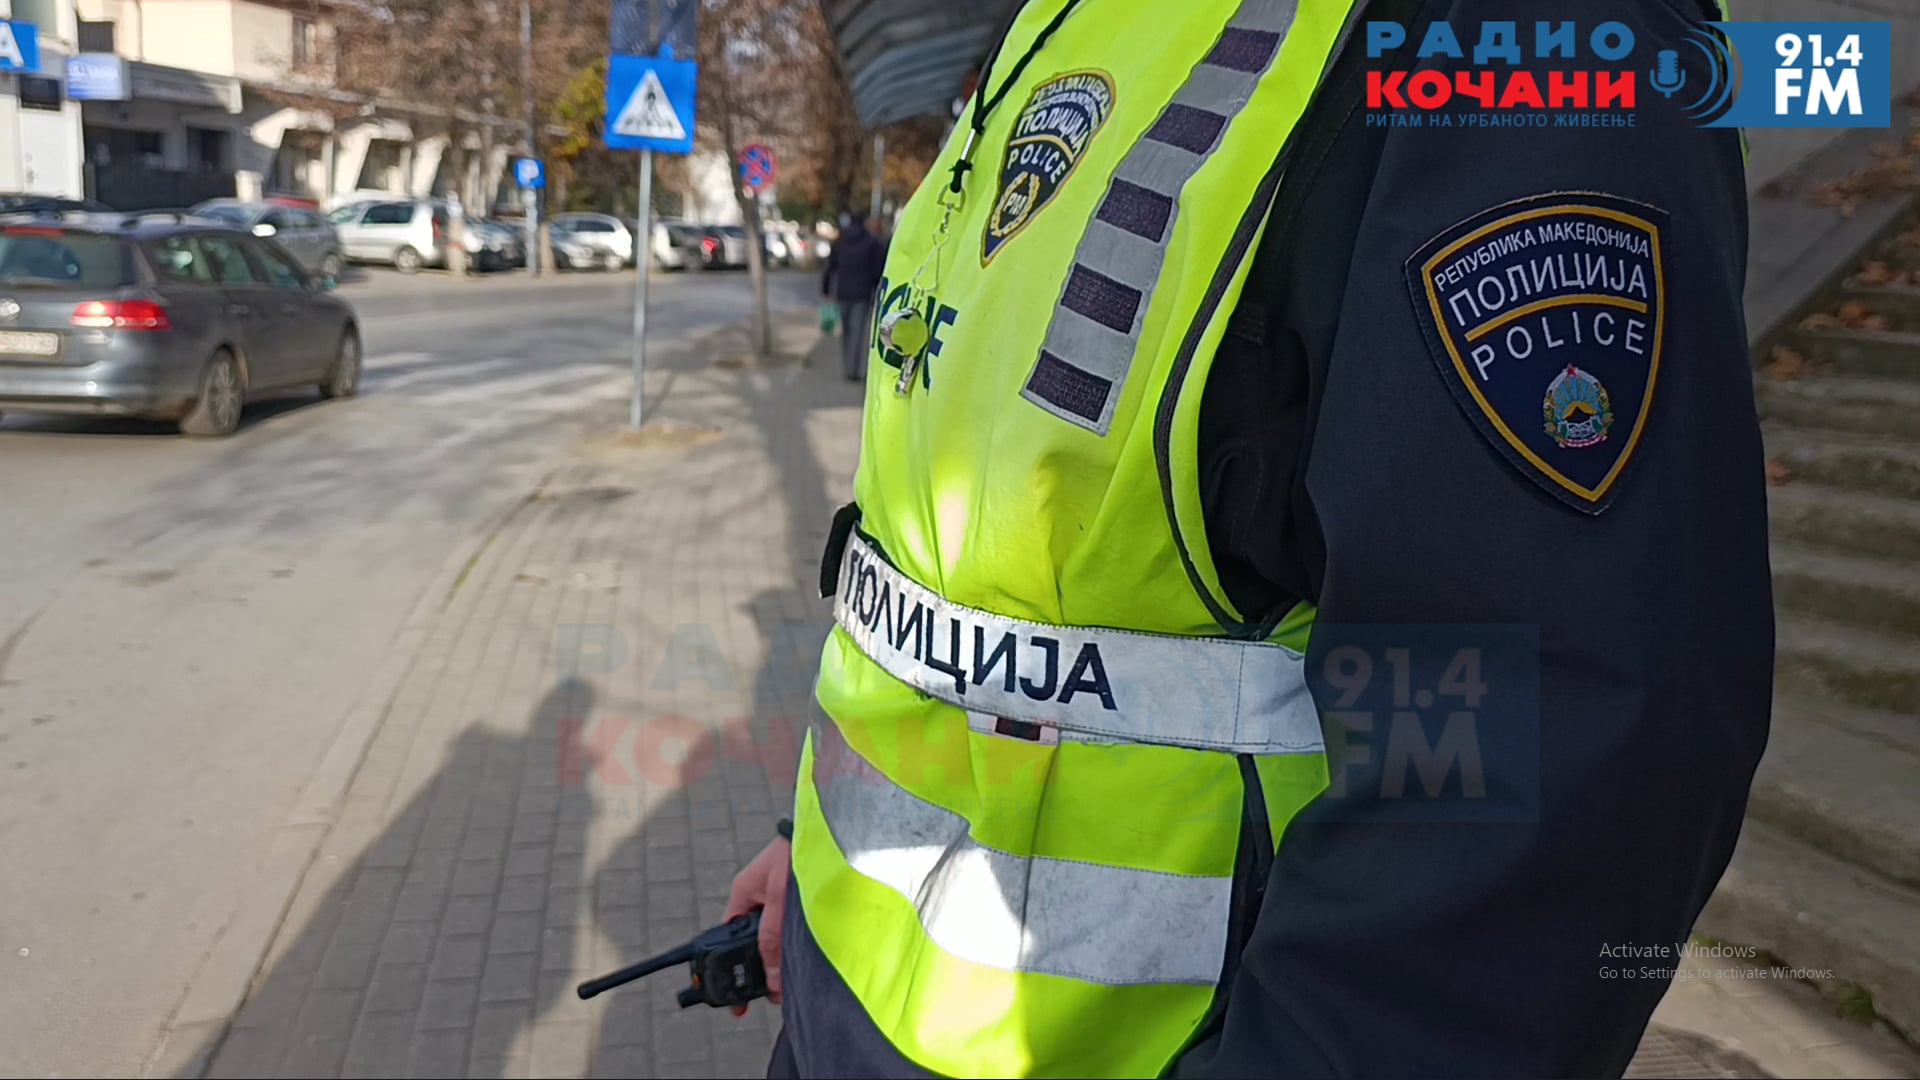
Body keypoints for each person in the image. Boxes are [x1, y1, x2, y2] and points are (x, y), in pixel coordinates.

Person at [730, 0, 1772, 1075]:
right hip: (839, 993)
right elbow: (936, 582)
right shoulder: (1059, 18)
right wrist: (806, 848)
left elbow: (1525, 785)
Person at [820, 211, 887, 381]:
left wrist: (826, 290)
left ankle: (847, 368)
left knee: (846, 332)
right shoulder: (871, 242)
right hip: (862, 294)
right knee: (858, 332)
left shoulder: (840, 241)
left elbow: (830, 267)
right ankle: (854, 369)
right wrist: (876, 291)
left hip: (843, 293)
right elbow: (877, 270)